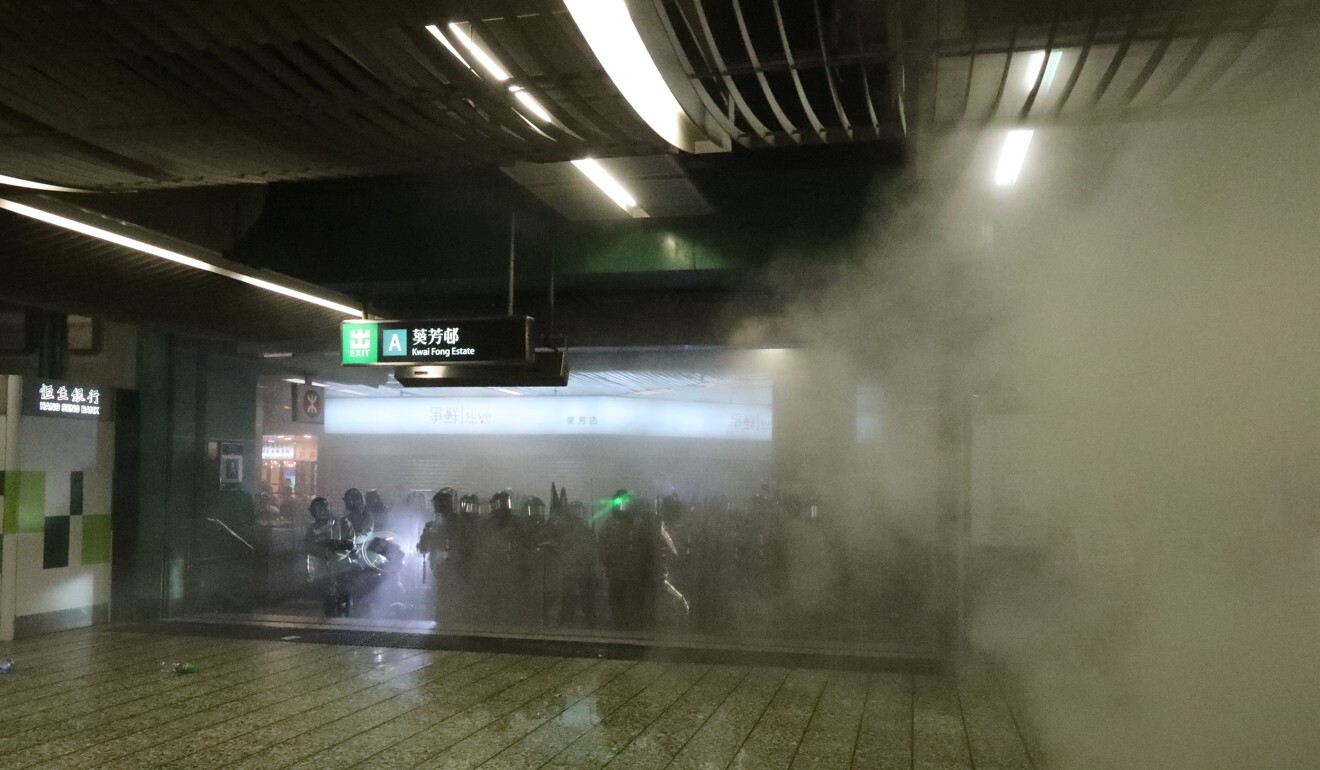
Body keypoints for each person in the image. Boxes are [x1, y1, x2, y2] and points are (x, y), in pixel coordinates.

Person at [417, 487, 472, 624]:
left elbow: (467, 545)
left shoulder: (459, 524)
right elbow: (423, 547)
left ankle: (453, 621)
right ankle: (442, 620)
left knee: (454, 597)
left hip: (456, 566)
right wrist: (427, 539)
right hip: (438, 567)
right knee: (440, 595)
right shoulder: (431, 525)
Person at [598, 490, 651, 630]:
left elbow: (646, 548)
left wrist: (643, 567)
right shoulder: (608, 525)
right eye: (619, 503)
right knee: (617, 602)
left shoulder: (638, 524)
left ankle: (635, 629)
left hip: (635, 574)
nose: (622, 507)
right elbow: (602, 547)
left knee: (635, 604)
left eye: (625, 503)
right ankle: (618, 627)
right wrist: (609, 561)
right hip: (616, 573)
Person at [305, 496, 354, 617]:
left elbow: (350, 542)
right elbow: (308, 547)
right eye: (317, 510)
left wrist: (336, 544)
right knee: (328, 600)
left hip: (342, 565)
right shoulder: (312, 528)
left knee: (345, 595)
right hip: (323, 567)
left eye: (322, 509)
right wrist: (319, 547)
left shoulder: (342, 522)